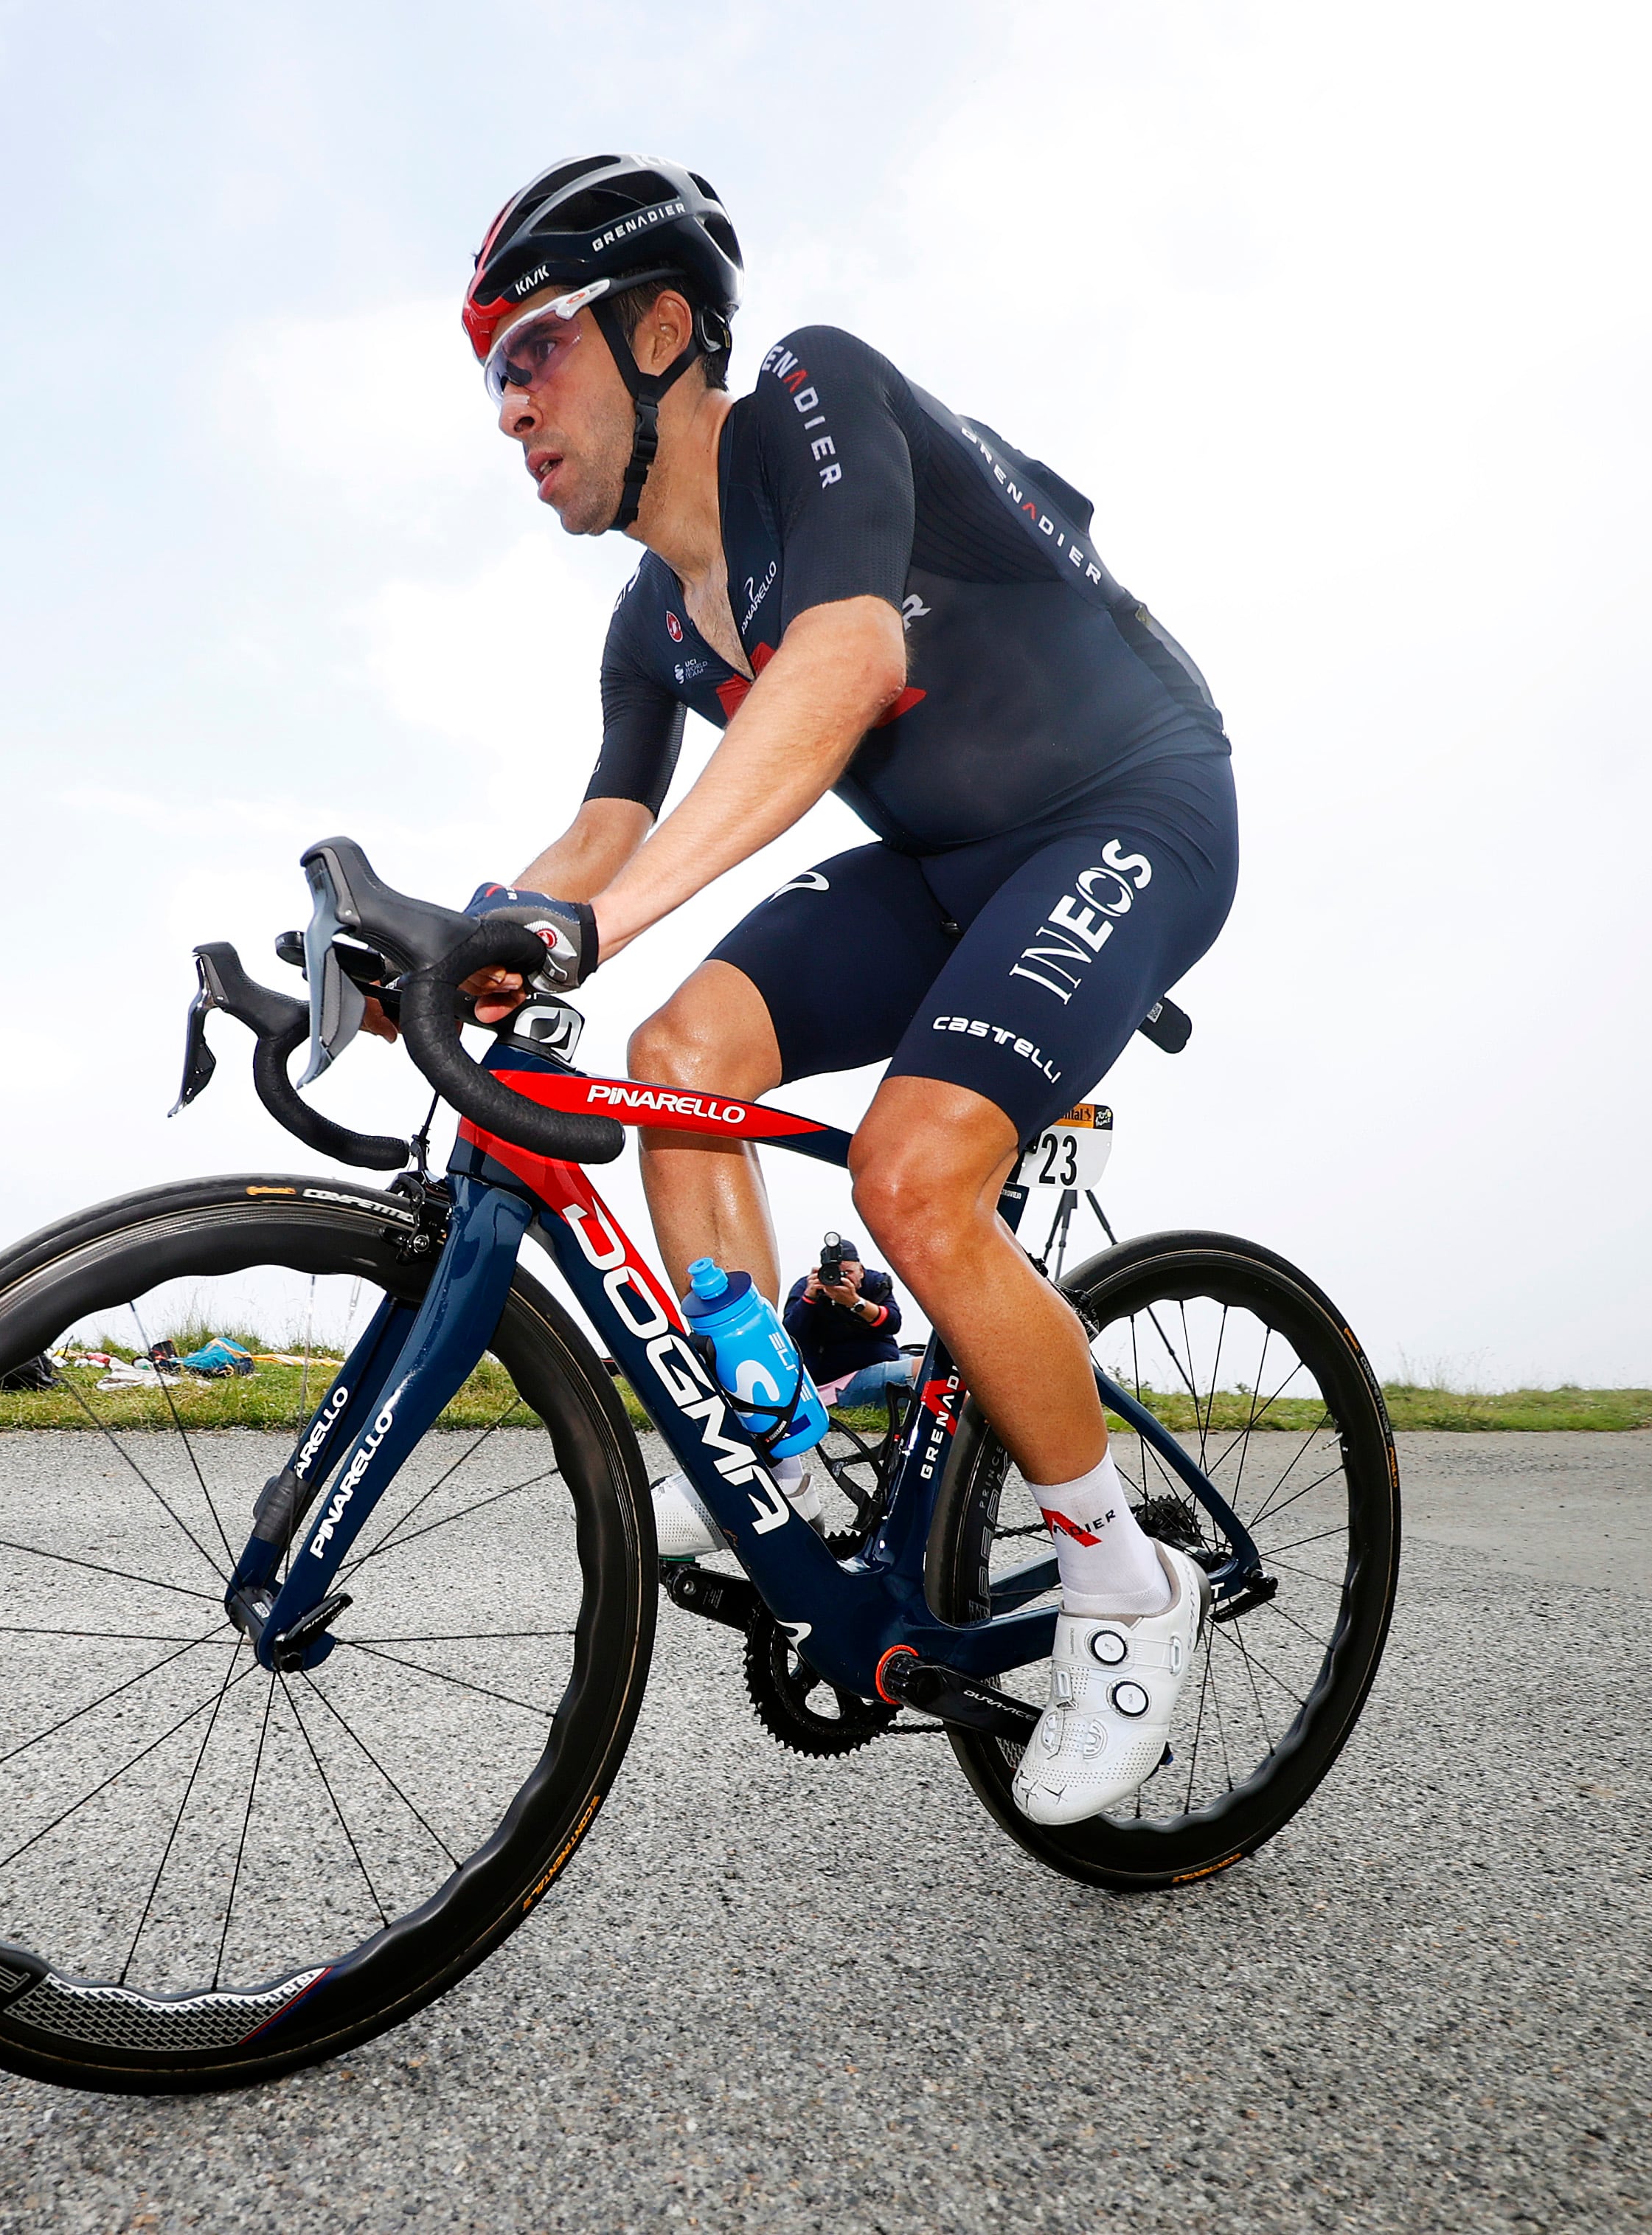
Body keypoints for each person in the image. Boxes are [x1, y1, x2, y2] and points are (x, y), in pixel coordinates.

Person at [450, 156, 1237, 1825]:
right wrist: (461, 936)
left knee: (911, 1172)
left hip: (1128, 807)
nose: (508, 404)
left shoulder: (812, 392)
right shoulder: (650, 621)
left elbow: (846, 662)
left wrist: (598, 926)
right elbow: (607, 827)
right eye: (491, 373)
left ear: (661, 329)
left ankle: (1121, 1580)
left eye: (532, 351)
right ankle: (782, 1445)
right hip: (948, 859)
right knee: (682, 1054)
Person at [784, 1233, 912, 1411]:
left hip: (885, 1361)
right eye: (836, 1274)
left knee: (942, 1362)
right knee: (924, 1369)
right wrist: (808, 1299)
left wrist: (855, 1302)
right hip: (840, 1381)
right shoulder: (809, 1287)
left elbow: (893, 1323)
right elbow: (790, 1337)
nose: (842, 1279)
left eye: (848, 1272)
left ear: (861, 1270)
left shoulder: (875, 1283)